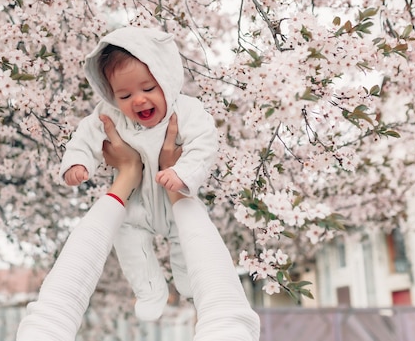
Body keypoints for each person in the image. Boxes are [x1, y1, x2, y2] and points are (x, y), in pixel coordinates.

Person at [15, 115, 260, 341]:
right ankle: (152, 290)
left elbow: (50, 320)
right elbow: (227, 314)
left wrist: (128, 174)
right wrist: (176, 183)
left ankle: (162, 286)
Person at [59, 26, 218, 321]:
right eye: (125, 94)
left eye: (148, 89)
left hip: (176, 198)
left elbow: (205, 142)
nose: (139, 100)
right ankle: (148, 289)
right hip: (136, 205)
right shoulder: (110, 115)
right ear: (110, 95)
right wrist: (78, 163)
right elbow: (86, 137)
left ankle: (188, 282)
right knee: (127, 237)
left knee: (186, 238)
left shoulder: (185, 110)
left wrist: (183, 172)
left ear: (166, 80)